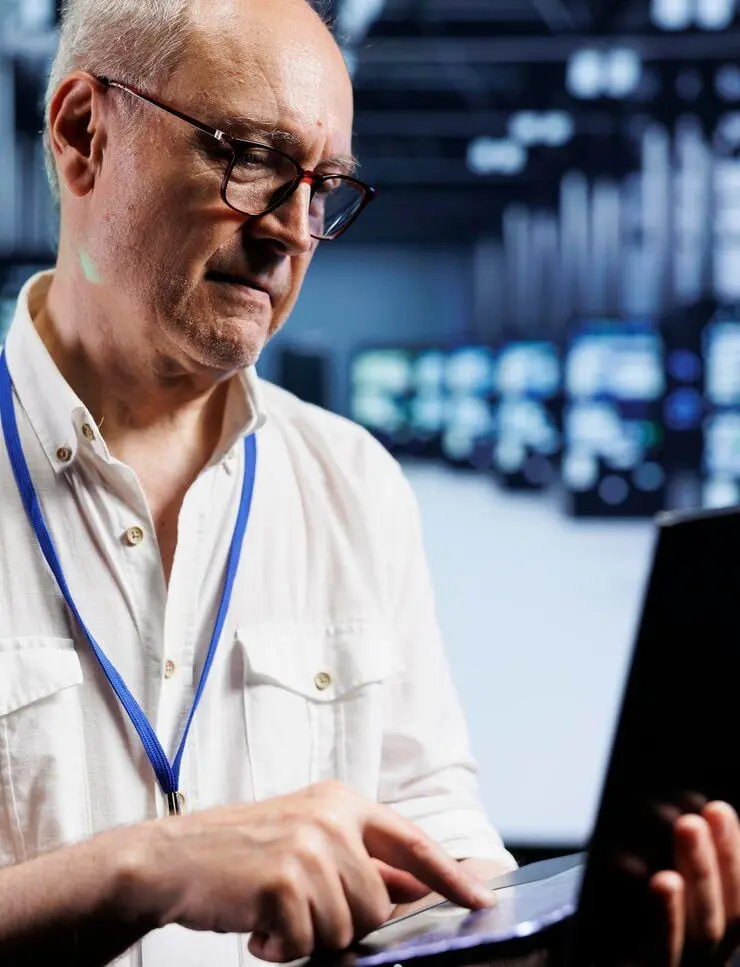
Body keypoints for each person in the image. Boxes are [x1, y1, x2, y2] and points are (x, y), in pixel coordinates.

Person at [0, 0, 738, 965]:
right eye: (252, 157)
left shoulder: (354, 485)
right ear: (83, 134)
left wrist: (576, 944)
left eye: (325, 187)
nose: (293, 231)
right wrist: (146, 868)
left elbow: (438, 860)